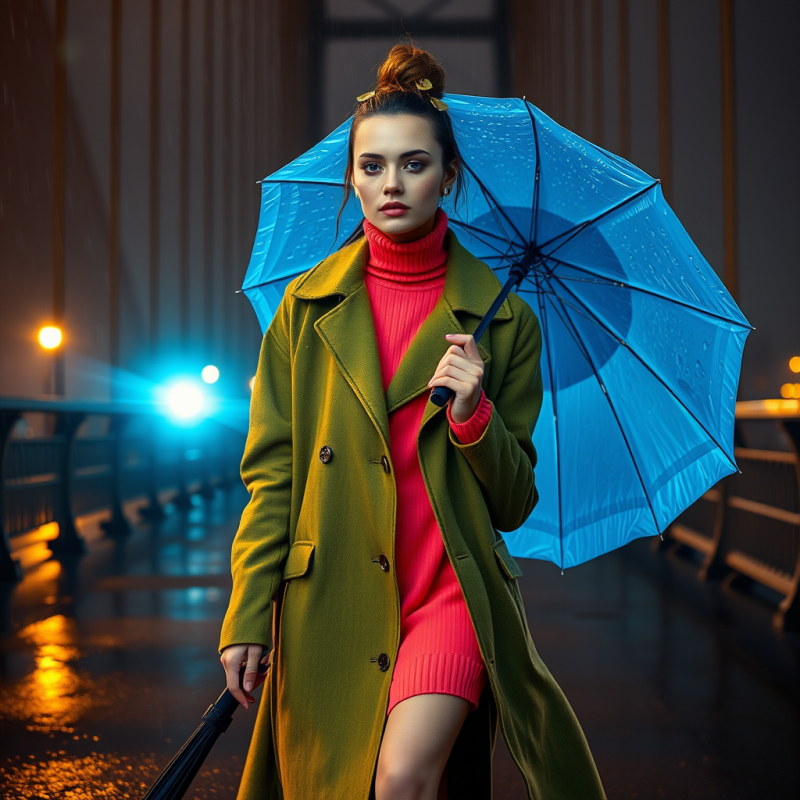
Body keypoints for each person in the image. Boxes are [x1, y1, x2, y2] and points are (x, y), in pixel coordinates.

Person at [218, 42, 605, 800]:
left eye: (414, 164)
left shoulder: (505, 323)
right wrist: (247, 614)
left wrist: (473, 414)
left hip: (448, 586)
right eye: (372, 166)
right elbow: (274, 477)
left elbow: (514, 502)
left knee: (401, 781)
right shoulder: (305, 310)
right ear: (352, 178)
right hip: (333, 595)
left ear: (449, 175)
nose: (391, 183)